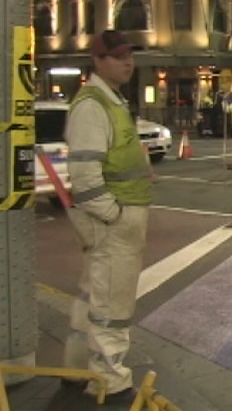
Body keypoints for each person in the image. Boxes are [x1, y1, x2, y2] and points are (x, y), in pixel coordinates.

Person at [63, 31, 153, 405]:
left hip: (117, 217)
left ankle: (77, 369)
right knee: (112, 305)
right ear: (98, 60)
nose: (127, 62)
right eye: (118, 56)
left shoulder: (111, 100)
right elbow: (84, 173)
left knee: (93, 294)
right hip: (113, 221)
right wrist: (112, 215)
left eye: (129, 55)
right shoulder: (93, 104)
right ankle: (111, 382)